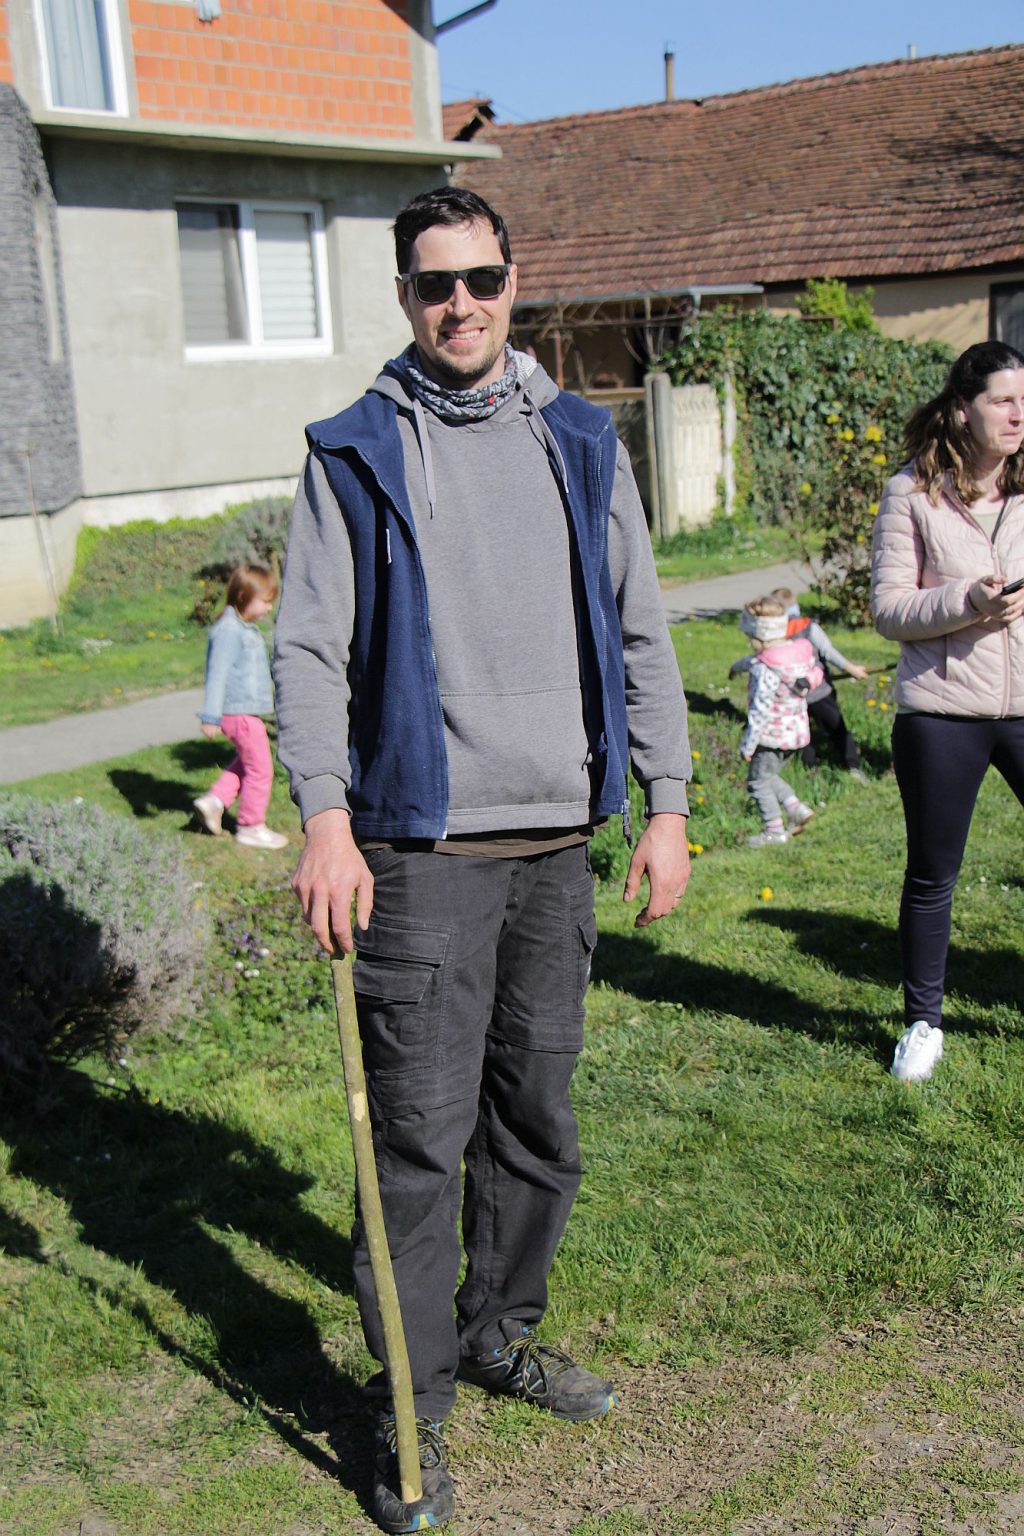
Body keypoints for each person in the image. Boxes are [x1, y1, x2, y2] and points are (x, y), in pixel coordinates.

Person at [272, 187, 692, 1533]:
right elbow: (309, 649)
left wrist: (668, 803)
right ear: (403, 295)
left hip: (558, 844)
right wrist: (324, 819)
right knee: (416, 1143)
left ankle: (500, 1332)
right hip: (423, 854)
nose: (459, 304)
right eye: (433, 283)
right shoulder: (354, 452)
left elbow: (640, 623)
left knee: (535, 1120)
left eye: (481, 279)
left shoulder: (581, 438)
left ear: (516, 281)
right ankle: (413, 1410)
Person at [871, 340, 1024, 1083]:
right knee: (934, 873)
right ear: (963, 409)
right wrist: (968, 601)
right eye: (1003, 400)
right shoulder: (911, 492)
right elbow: (889, 609)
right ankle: (923, 1024)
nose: (1019, 414)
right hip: (941, 712)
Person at [192, 562, 289, 850]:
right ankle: (250, 826)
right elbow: (217, 674)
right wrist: (210, 716)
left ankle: (214, 801)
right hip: (239, 714)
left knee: (248, 764)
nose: (269, 608)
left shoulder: (242, 628)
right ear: (244, 596)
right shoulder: (229, 631)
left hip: (244, 712)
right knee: (261, 770)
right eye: (265, 601)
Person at [730, 594, 822, 847]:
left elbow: (759, 710)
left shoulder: (764, 669)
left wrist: (748, 745)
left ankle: (774, 830)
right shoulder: (795, 655)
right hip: (796, 732)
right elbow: (814, 673)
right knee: (768, 775)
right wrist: (736, 667)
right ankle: (796, 809)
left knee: (757, 782)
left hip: (771, 736)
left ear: (757, 635)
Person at [769, 586, 870, 780]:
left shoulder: (774, 633)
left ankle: (809, 771)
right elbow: (827, 651)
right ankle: (852, 766)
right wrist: (852, 669)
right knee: (837, 729)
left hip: (792, 696)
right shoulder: (808, 627)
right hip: (819, 691)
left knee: (803, 734)